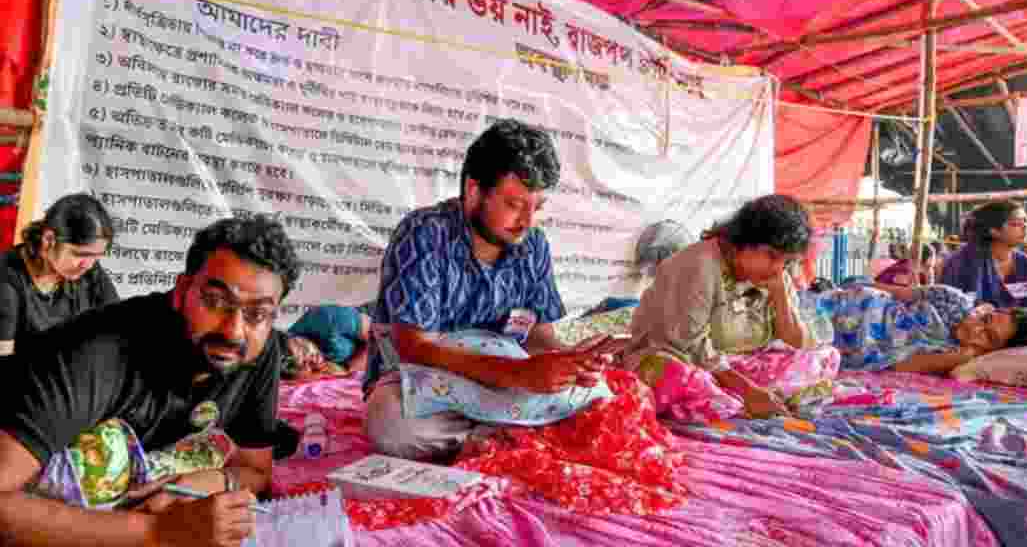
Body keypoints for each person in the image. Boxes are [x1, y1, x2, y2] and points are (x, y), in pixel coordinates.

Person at [0, 214, 301, 547]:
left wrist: (207, 484)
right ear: (182, 290)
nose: (234, 330)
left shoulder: (260, 352)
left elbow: (255, 470)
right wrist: (159, 532)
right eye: (215, 302)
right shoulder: (98, 353)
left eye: (257, 314)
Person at [363, 119, 617, 461]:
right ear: (474, 191)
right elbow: (414, 348)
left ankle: (492, 436)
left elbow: (538, 336)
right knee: (390, 423)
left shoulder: (534, 245)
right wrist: (519, 374)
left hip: (505, 382)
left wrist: (570, 362)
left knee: (603, 395)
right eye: (514, 205)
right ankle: (516, 433)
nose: (527, 221)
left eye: (536, 207)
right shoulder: (424, 233)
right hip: (426, 380)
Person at [620, 194, 841, 424]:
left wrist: (780, 294)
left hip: (733, 366)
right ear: (745, 241)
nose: (778, 268)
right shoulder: (698, 265)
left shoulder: (775, 275)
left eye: (786, 262)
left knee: (826, 357)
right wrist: (748, 390)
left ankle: (739, 403)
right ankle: (740, 403)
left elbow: (797, 342)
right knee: (679, 377)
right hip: (679, 359)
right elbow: (691, 347)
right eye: (772, 256)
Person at [822, 281, 1027, 375]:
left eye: (988, 337)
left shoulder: (955, 355)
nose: (976, 330)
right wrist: (848, 287)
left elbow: (898, 365)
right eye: (986, 319)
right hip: (858, 304)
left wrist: (963, 356)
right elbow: (897, 293)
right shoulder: (954, 299)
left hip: (855, 337)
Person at [0, 193, 119, 358]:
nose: (88, 265)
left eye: (96, 257)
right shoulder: (7, 278)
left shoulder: (90, 271)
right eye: (80, 255)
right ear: (49, 240)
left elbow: (119, 328)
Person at [939, 200, 1027, 312]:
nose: (1025, 227)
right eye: (1016, 224)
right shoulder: (962, 261)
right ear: (994, 231)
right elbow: (952, 309)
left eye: (1025, 221)